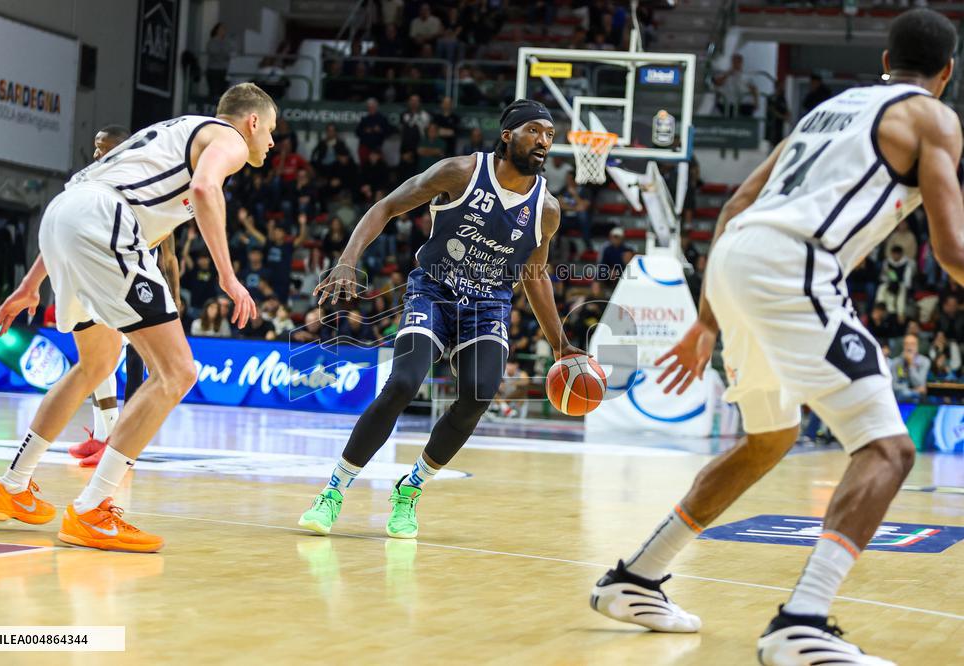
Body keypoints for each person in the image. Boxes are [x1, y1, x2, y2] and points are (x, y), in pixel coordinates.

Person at [589, 10, 964, 665]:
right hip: (796, 264)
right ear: (947, 73)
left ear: (884, 59)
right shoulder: (934, 117)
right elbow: (950, 247)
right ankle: (802, 622)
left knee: (770, 439)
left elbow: (736, 205)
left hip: (739, 259)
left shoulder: (829, 109)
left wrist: (709, 319)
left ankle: (636, 577)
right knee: (888, 450)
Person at [0, 83, 271, 553]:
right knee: (177, 372)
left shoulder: (175, 132)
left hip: (63, 216)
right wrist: (228, 276)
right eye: (271, 130)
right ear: (253, 122)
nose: (272, 143)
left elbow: (81, 205)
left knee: (96, 365)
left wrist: (33, 282)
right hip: (102, 222)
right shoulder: (229, 137)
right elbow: (203, 189)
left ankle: (12, 485)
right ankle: (94, 508)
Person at [298, 99, 581, 539]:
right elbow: (386, 206)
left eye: (549, 134)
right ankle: (334, 490)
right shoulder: (460, 172)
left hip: (487, 305)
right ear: (507, 135)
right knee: (403, 384)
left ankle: (410, 490)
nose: (544, 141)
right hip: (434, 290)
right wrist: (349, 258)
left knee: (478, 394)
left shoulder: (547, 209)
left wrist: (561, 343)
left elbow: (534, 273)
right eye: (534, 131)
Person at [70, 125, 184, 468]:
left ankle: (122, 444)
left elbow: (170, 255)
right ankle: (107, 434)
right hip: (103, 278)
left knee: (135, 367)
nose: (95, 154)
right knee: (97, 361)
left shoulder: (148, 187)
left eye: (102, 148)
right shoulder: (90, 182)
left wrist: (175, 298)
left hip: (138, 284)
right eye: (94, 147)